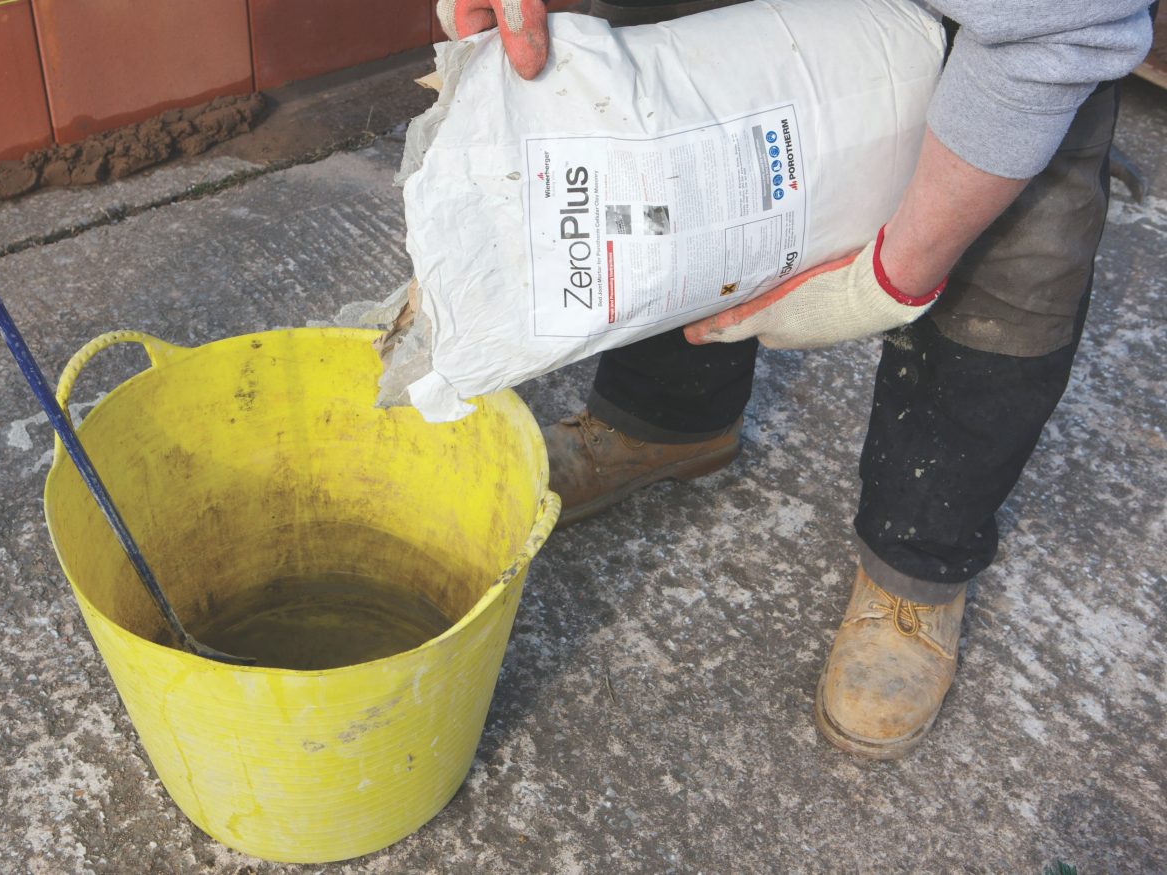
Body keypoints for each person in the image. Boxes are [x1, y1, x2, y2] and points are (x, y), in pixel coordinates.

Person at [435, 0, 1155, 758]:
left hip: (1031, 24)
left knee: (1016, 264)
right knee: (667, 122)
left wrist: (889, 276)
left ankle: (916, 559)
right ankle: (667, 422)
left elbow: (1057, 31)